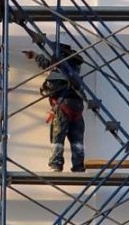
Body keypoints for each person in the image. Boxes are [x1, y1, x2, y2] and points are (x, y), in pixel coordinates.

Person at [24, 42, 86, 172]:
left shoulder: (57, 72)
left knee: (58, 136)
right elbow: (48, 65)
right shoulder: (74, 70)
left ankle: (56, 164)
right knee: (77, 139)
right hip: (78, 107)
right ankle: (78, 166)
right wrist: (35, 56)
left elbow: (50, 87)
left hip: (63, 106)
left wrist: (44, 88)